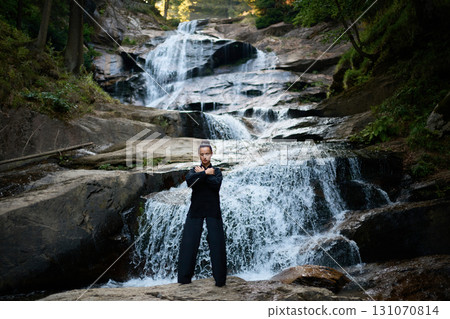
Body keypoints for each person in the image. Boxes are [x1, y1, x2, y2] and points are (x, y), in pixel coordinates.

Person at [177, 140, 227, 287]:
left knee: (217, 245)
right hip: (196, 210)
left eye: (207, 154)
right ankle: (184, 279)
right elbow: (190, 182)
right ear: (199, 155)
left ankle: (220, 280)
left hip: (213, 210)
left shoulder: (217, 171)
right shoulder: (194, 170)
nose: (204, 157)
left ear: (211, 154)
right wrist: (206, 173)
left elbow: (215, 184)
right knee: (189, 243)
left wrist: (203, 175)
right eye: (202, 154)